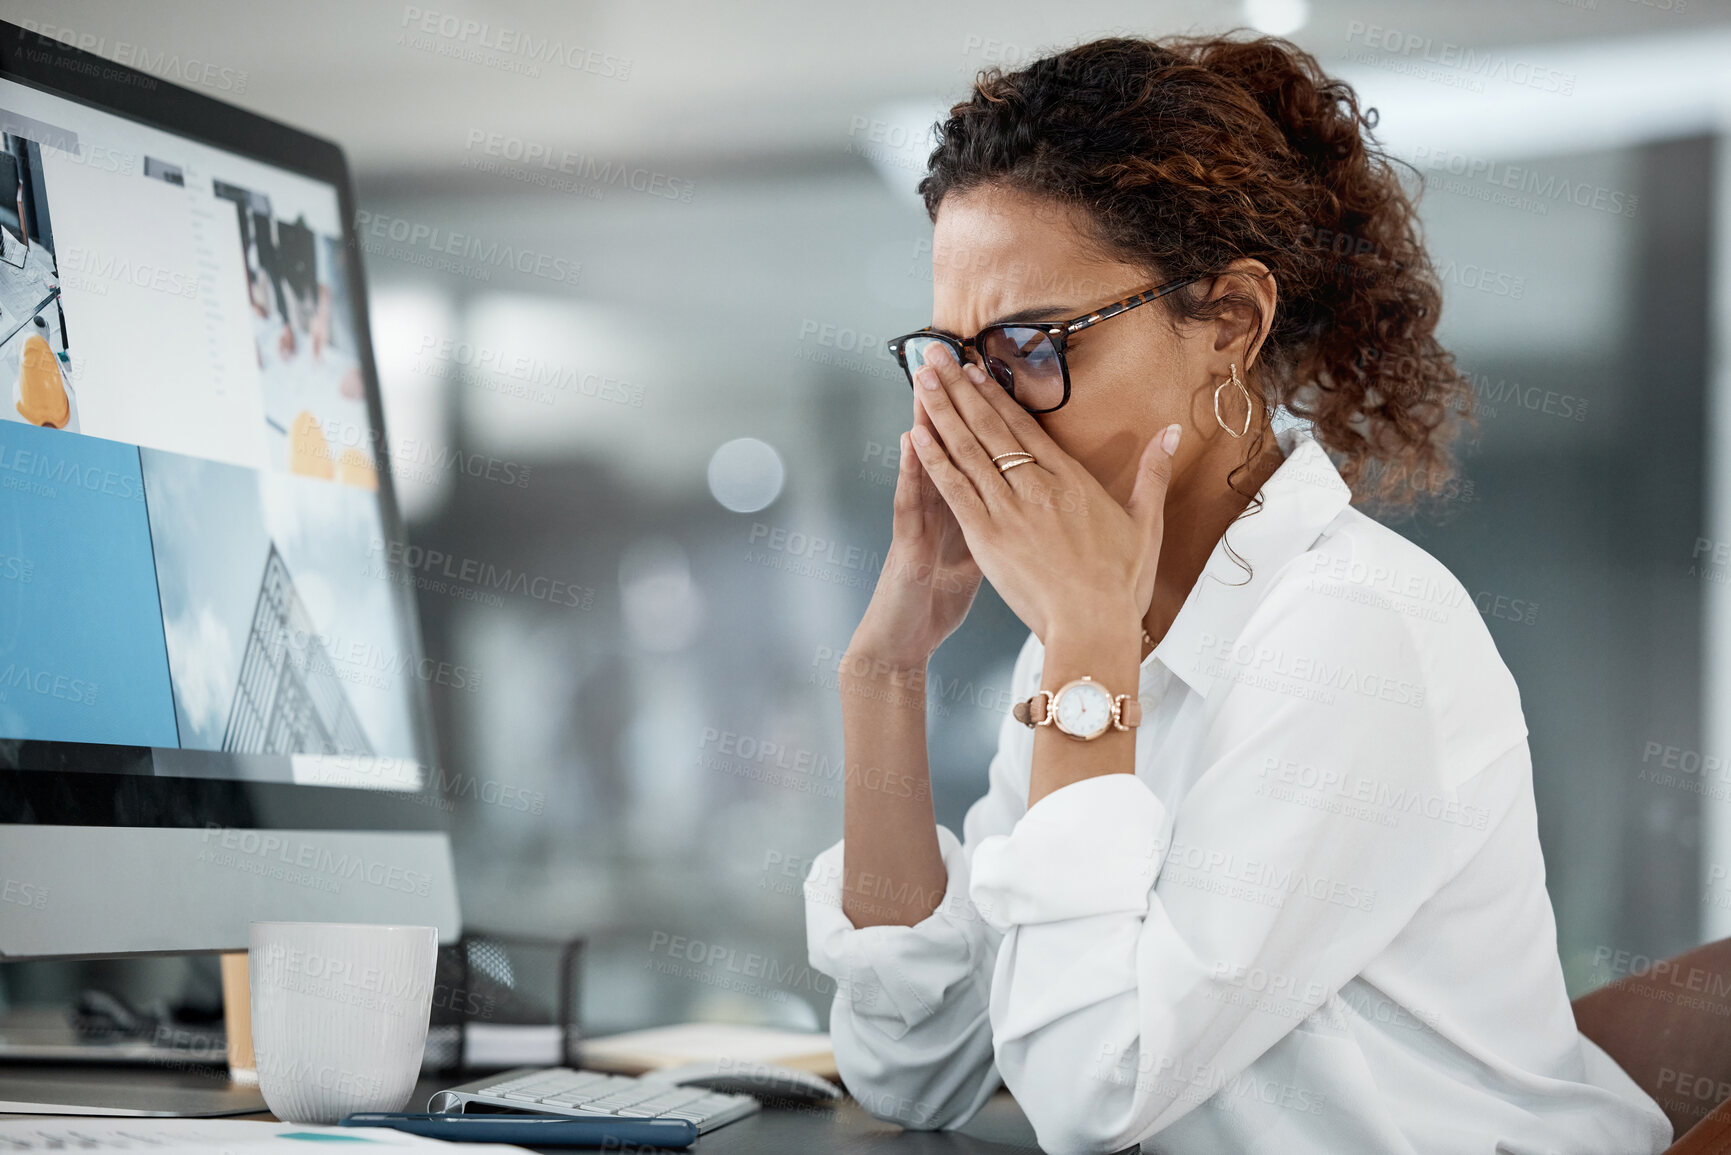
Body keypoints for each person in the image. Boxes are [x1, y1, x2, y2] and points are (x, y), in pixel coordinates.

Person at [802, 33, 1671, 1155]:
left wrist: (1083, 658)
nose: (989, 412)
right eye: (955, 355)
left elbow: (1088, 1098)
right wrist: (886, 672)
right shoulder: (1101, 636)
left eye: (1028, 344)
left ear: (1229, 324)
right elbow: (911, 1069)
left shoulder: (1350, 631)